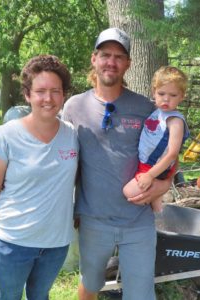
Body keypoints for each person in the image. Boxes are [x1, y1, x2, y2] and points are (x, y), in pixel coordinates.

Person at [62, 28, 173, 300]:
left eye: (118, 56)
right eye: (105, 55)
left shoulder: (146, 108)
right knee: (90, 284)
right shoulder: (74, 107)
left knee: (140, 293)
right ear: (94, 59)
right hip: (92, 220)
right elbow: (63, 161)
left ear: (128, 64)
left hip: (138, 222)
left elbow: (170, 156)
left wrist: (162, 185)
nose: (111, 61)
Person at [0, 55, 79, 300]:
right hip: (11, 244)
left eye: (55, 91)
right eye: (40, 91)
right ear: (27, 95)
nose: (48, 99)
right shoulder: (5, 137)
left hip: (56, 245)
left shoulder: (73, 136)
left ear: (63, 95)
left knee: (40, 296)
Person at [123, 66, 189, 212]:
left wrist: (150, 175)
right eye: (161, 93)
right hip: (146, 163)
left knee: (129, 192)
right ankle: (159, 217)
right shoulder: (158, 112)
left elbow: (172, 153)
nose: (166, 99)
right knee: (155, 207)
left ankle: (158, 208)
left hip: (156, 167)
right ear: (154, 92)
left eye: (173, 95)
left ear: (181, 96)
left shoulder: (175, 120)